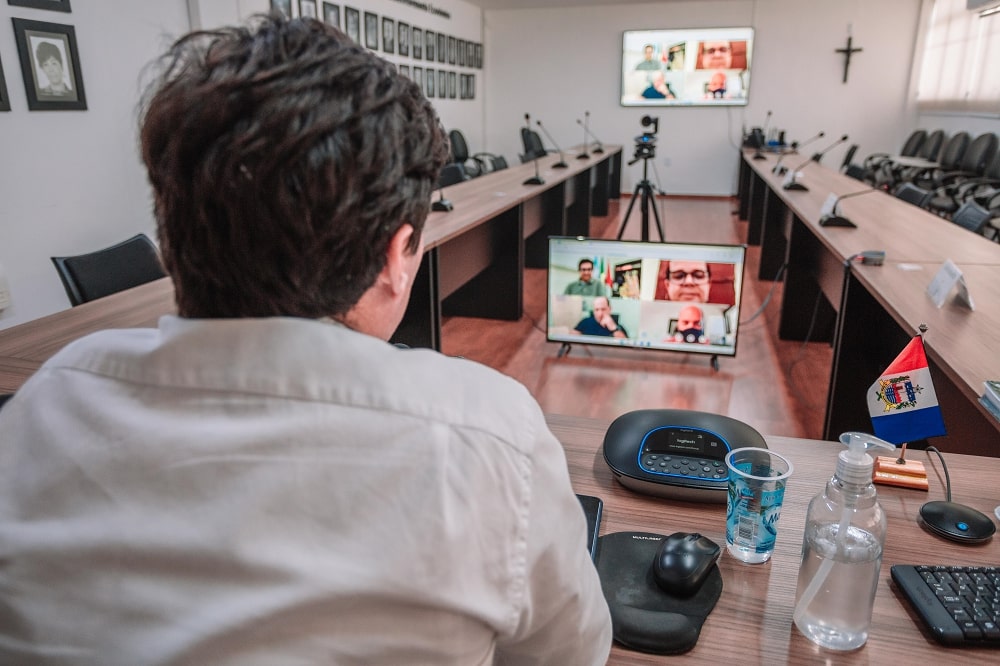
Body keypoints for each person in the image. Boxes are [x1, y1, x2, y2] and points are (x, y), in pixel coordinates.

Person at [0, 15, 612, 664]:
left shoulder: (41, 404)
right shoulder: (491, 433)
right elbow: (573, 654)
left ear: (172, 235)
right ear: (398, 254)